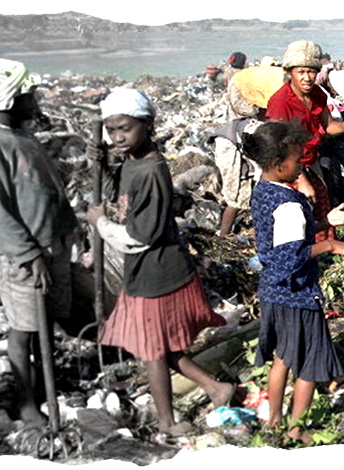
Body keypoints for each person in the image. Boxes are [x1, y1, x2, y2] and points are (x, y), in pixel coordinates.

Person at [85, 88, 234, 437]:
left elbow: (139, 236)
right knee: (162, 348)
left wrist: (100, 224)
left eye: (125, 128)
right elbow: (122, 198)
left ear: (147, 124)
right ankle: (216, 389)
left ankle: (167, 422)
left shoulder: (152, 171)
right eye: (111, 130)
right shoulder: (132, 163)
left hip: (159, 271)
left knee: (152, 350)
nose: (118, 137)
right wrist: (104, 166)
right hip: (144, 272)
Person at [242, 121, 344, 442]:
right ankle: (297, 428)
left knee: (282, 358)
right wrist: (331, 243)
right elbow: (292, 255)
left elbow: (283, 238)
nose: (302, 164)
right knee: (308, 364)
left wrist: (324, 221)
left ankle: (274, 421)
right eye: (296, 159)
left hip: (273, 291)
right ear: (278, 165)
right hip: (298, 295)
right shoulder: (290, 204)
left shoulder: (264, 189)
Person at [0, 59, 78, 425]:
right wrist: (28, 253)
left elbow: (46, 190)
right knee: (23, 327)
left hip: (52, 245)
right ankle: (26, 401)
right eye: (30, 95)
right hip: (26, 253)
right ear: (11, 99)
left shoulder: (23, 137)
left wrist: (70, 230)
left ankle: (46, 383)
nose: (36, 101)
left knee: (43, 321)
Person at [266, 40, 344, 242]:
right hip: (286, 167)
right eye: (301, 72)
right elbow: (278, 146)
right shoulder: (280, 101)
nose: (307, 77)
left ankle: (326, 250)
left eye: (311, 71)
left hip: (311, 160)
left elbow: (328, 125)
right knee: (295, 215)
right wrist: (301, 180)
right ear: (290, 72)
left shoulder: (317, 93)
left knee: (321, 206)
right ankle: (304, 256)